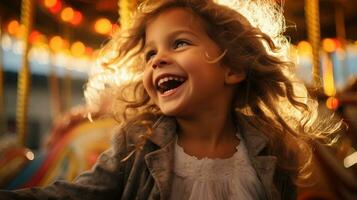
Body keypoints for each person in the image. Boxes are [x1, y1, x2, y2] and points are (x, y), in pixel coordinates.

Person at [0, 0, 341, 199]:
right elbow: (78, 195)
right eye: (150, 53)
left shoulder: (271, 148)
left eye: (178, 43)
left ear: (233, 69)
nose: (157, 59)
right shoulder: (136, 144)